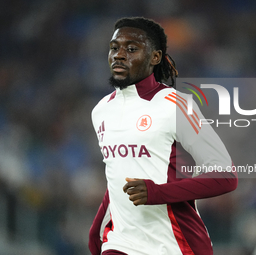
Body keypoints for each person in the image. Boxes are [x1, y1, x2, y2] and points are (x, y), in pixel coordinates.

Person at [89, 17, 237, 255]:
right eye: (114, 48)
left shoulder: (176, 105)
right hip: (121, 243)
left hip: (175, 244)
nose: (118, 55)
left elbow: (226, 176)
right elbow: (117, 177)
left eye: (131, 49)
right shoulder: (101, 111)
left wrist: (158, 192)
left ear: (155, 57)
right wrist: (96, 230)